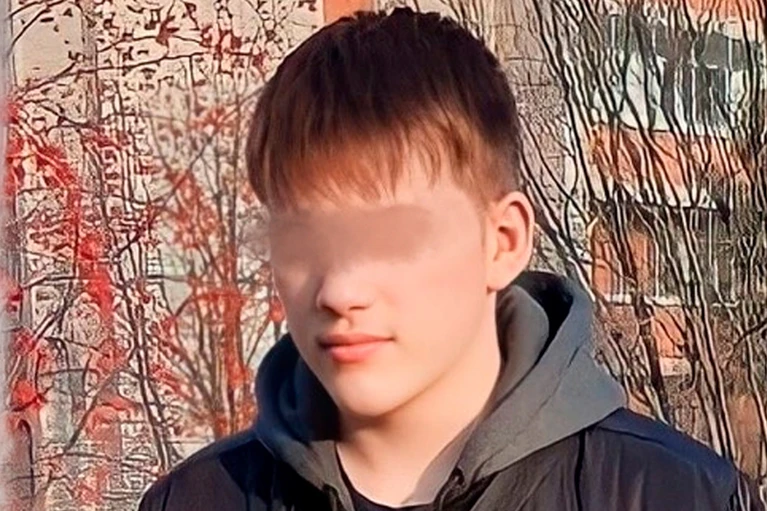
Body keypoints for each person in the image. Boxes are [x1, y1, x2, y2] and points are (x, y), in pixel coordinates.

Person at [139, 7, 762, 511]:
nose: (339, 289)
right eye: (303, 241)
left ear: (503, 242)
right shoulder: (195, 500)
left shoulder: (682, 496)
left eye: (391, 236)